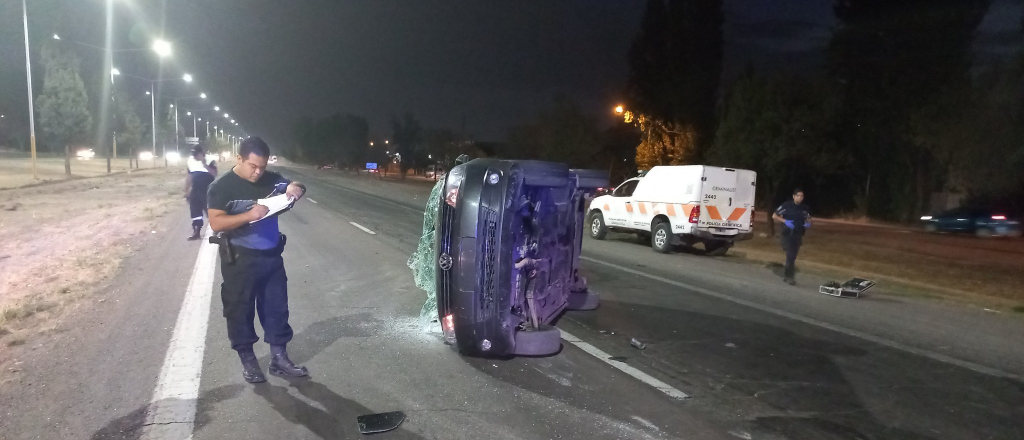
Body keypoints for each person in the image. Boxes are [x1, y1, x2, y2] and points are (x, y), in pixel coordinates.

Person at [207, 137, 308, 383]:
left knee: (277, 309)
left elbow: (293, 184)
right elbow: (216, 222)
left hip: (272, 257)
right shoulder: (222, 187)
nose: (258, 172)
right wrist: (249, 215)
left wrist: (295, 187)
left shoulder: (271, 180)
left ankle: (279, 358)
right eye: (253, 166)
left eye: (262, 166)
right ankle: (249, 361)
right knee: (239, 311)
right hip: (240, 260)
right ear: (239, 159)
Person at [772, 188, 811, 286]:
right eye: (798, 195)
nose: (800, 198)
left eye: (802, 196)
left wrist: (808, 223)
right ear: (794, 196)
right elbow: (774, 216)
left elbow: (808, 218)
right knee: (790, 255)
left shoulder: (804, 208)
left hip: (798, 235)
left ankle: (787, 274)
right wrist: (785, 221)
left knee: (793, 257)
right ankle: (789, 277)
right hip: (787, 234)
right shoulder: (787, 206)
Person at [185, 145, 218, 240]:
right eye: (193, 154)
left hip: (207, 190)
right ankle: (196, 231)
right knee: (195, 211)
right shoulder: (190, 161)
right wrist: (187, 190)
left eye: (196, 154)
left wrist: (204, 164)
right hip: (195, 190)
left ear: (202, 153)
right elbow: (189, 177)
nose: (194, 156)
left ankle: (216, 230)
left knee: (210, 211)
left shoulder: (210, 160)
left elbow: (214, 174)